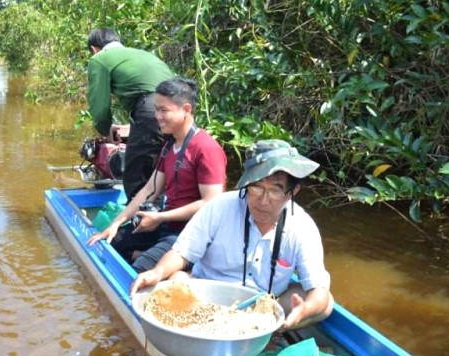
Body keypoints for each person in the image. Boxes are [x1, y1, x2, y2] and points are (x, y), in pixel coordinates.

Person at [131, 139, 334, 330]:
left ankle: (268, 333)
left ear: (293, 191)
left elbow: (319, 290)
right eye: (256, 188)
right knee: (176, 280)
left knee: (324, 304)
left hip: (262, 310)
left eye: (275, 190)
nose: (263, 201)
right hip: (207, 302)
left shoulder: (302, 226)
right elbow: (182, 253)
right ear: (246, 185)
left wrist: (304, 310)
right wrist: (157, 272)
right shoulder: (220, 207)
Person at [87, 77, 227, 272]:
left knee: (139, 272)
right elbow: (150, 189)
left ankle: (177, 266)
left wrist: (160, 218)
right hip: (166, 225)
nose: (157, 116)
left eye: (164, 110)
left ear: (186, 110)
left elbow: (212, 203)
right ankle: (151, 255)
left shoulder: (206, 148)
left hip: (191, 235)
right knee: (111, 243)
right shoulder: (170, 144)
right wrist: (116, 223)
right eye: (156, 109)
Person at [86, 28, 175, 201]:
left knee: (137, 176)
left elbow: (99, 106)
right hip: (180, 110)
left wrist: (105, 130)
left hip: (152, 110)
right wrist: (131, 127)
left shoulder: (99, 59)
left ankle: (141, 223)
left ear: (94, 49)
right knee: (167, 167)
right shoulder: (141, 54)